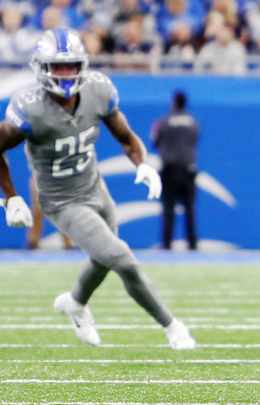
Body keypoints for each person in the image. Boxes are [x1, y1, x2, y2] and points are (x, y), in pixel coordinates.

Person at [0, 28, 195, 350]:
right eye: (58, 67)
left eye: (71, 66)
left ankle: (75, 303)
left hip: (95, 187)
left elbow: (126, 137)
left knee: (103, 257)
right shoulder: (30, 108)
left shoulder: (97, 90)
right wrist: (11, 197)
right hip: (62, 200)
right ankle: (173, 327)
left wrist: (142, 164)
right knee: (122, 258)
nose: (65, 74)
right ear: (42, 68)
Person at [151, 90, 199, 251]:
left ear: (173, 102)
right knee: (189, 208)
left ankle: (167, 244)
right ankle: (192, 243)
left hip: (169, 169)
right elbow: (194, 141)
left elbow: (155, 141)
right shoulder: (193, 122)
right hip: (188, 168)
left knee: (168, 208)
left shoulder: (164, 122)